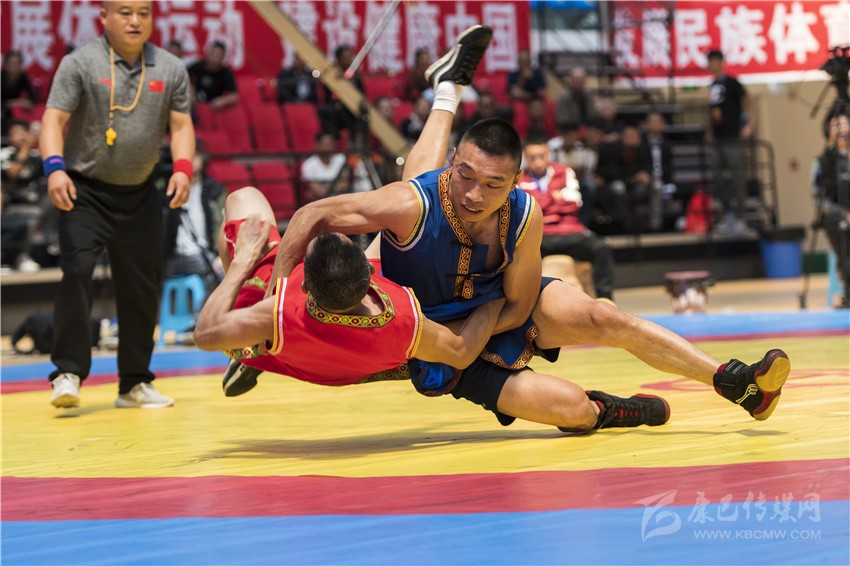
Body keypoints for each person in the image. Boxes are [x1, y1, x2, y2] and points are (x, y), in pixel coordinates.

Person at [206, 27, 670, 432]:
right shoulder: (400, 316)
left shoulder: (268, 315)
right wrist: (493, 302)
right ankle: (446, 90)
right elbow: (461, 349)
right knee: (417, 200)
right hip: (415, 340)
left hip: (280, 331)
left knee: (412, 201)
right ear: (370, 275)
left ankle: (447, 90)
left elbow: (209, 329)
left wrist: (247, 268)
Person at [266, 114, 789, 429]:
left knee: (605, 316)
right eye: (465, 176)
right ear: (453, 161)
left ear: (516, 182)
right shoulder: (413, 204)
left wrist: (480, 324)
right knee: (572, 410)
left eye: (493, 185)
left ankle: (738, 384)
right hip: (439, 341)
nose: (474, 195)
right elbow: (312, 215)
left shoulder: (523, 215)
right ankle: (612, 411)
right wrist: (278, 296)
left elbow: (519, 305)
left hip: (497, 312)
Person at [39, 0, 194, 409]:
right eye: (125, 12)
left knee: (142, 287)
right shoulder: (79, 62)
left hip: (140, 192)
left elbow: (181, 126)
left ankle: (134, 383)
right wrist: (54, 169)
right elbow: (53, 120)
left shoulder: (171, 68)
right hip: (84, 191)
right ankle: (68, 373)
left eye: (144, 12)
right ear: (104, 17)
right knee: (77, 272)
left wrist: (183, 169)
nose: (135, 21)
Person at [518, 135, 615, 301]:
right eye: (532, 158)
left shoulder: (564, 172)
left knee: (601, 248)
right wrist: (555, 197)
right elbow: (522, 210)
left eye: (542, 156)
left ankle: (605, 300)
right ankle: (523, 302)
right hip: (538, 237)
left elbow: (575, 203)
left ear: (549, 154)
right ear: (525, 158)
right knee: (512, 255)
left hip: (570, 234)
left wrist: (539, 201)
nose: (538, 162)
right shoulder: (518, 178)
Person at [163, 148, 226, 297]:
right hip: (173, 256)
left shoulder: (214, 191)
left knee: (225, 270)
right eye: (187, 155)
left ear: (203, 159)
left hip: (204, 254)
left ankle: (205, 310)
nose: (190, 160)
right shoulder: (168, 190)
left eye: (194, 155)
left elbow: (222, 225)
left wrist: (220, 255)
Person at [706, 49, 756, 235]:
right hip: (717, 140)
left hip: (732, 138)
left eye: (714, 61)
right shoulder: (712, 86)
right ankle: (727, 215)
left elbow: (750, 102)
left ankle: (741, 217)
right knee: (717, 179)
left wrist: (749, 125)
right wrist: (709, 132)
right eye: (710, 62)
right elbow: (712, 113)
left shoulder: (732, 82)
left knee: (737, 179)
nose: (712, 65)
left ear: (721, 63)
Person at [0, 118, 46, 272]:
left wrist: (42, 143)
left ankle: (55, 242)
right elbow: (12, 174)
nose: (21, 136)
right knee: (32, 214)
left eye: (24, 132)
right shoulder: (5, 153)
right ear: (9, 137)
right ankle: (21, 256)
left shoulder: (35, 154)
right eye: (16, 133)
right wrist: (25, 148)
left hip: (38, 200)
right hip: (13, 203)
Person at [815, 112, 850, 306]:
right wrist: (844, 213)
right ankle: (846, 288)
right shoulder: (823, 161)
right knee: (837, 225)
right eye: (836, 125)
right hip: (837, 217)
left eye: (844, 124)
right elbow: (820, 198)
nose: (841, 129)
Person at [594, 123, 653, 234]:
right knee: (618, 187)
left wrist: (645, 175)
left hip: (637, 184)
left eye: (635, 136)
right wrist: (631, 178)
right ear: (622, 137)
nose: (632, 139)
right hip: (618, 182)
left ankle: (653, 226)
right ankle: (622, 225)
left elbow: (648, 168)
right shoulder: (614, 150)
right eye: (629, 136)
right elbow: (611, 172)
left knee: (652, 187)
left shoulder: (644, 149)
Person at [643, 112, 677, 232]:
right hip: (648, 181)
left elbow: (669, 170)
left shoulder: (667, 144)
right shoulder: (642, 143)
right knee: (657, 187)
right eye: (652, 122)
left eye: (658, 122)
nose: (655, 125)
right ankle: (655, 226)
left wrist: (669, 188)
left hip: (664, 182)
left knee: (668, 192)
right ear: (646, 125)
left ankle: (673, 227)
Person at [187, 40, 238, 109]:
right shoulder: (197, 67)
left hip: (213, 107)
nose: (214, 59)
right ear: (208, 54)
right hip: (195, 103)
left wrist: (223, 100)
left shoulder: (226, 73)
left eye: (218, 56)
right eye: (213, 54)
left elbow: (234, 96)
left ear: (223, 58)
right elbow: (183, 77)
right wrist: (191, 89)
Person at [1, 51, 38, 131]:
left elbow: (33, 98)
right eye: (11, 63)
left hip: (13, 111)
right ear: (5, 64)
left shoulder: (23, 77)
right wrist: (15, 102)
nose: (13, 67)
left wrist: (27, 103)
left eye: (17, 64)